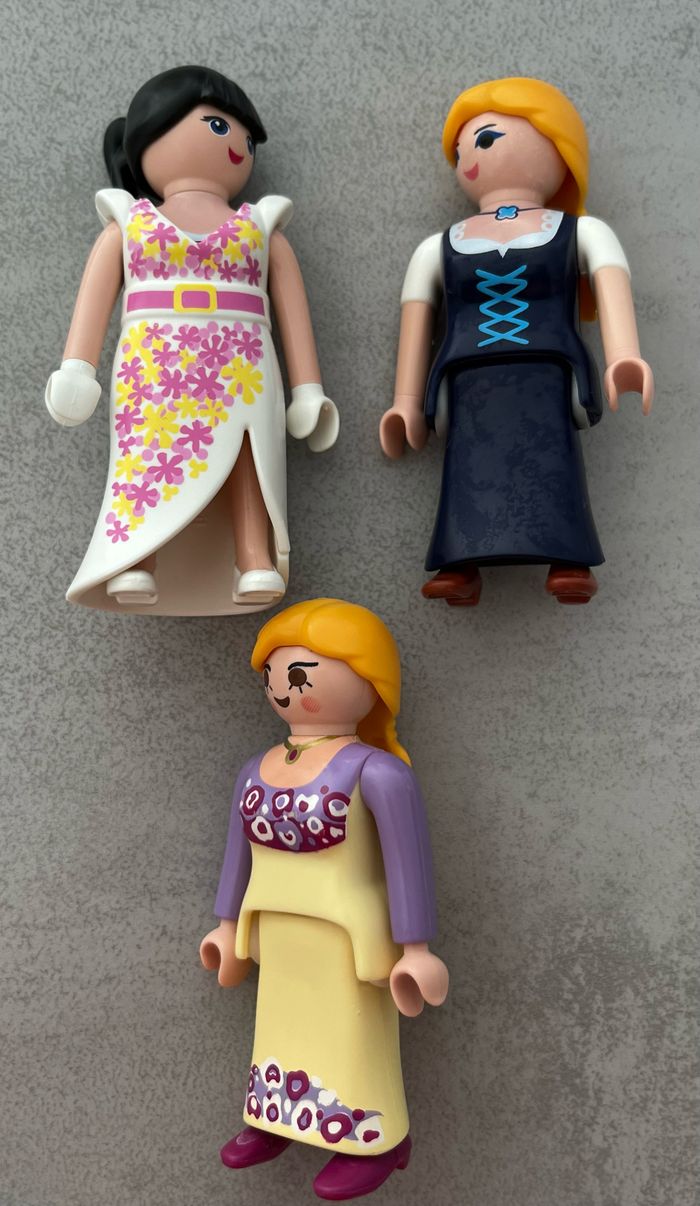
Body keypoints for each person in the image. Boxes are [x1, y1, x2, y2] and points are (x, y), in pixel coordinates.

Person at [46, 66, 338, 614]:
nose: (237, 145)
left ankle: (253, 556)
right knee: (147, 453)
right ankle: (135, 557)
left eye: (246, 137)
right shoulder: (129, 223)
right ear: (152, 130)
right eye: (219, 125)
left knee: (248, 453)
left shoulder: (261, 226)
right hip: (154, 358)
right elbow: (95, 300)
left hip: (241, 358)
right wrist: (77, 368)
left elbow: (293, 313)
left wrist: (308, 390)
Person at [200, 598, 448, 1200]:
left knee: (350, 1034)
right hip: (278, 934)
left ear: (370, 680)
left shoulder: (377, 772)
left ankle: (375, 1139)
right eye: (273, 675)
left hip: (345, 938)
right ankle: (274, 1117)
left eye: (300, 675)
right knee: (279, 1027)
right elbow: (238, 855)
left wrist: (416, 948)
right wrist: (225, 926)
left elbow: (408, 864)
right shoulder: (255, 768)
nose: (283, 688)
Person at [380, 77, 653, 606]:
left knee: (551, 459)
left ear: (559, 145)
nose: (470, 157)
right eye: (461, 150)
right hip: (469, 374)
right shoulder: (438, 247)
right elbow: (417, 319)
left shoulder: (579, 231)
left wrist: (624, 357)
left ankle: (569, 557)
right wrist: (406, 403)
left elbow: (611, 284)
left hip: (545, 367)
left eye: (485, 140)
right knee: (467, 468)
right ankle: (459, 563)